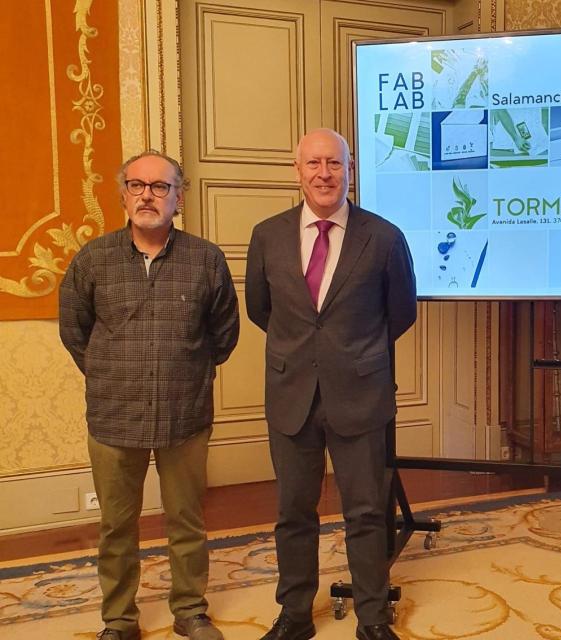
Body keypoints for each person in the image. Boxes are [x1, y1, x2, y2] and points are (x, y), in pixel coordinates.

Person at [59, 150, 240, 640]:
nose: (147, 195)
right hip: (114, 418)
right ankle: (119, 619)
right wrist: (108, 374)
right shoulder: (92, 259)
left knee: (187, 521)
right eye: (137, 185)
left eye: (160, 187)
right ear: (122, 194)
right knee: (117, 528)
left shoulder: (206, 259)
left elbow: (224, 335)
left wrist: (188, 375)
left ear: (178, 198)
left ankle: (190, 611)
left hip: (185, 416)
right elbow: (75, 333)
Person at [245, 128, 417, 640]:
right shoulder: (267, 235)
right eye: (314, 164)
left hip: (360, 395)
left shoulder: (384, 236)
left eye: (335, 164)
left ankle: (372, 618)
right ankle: (294, 615)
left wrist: (351, 354)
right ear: (296, 170)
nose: (324, 173)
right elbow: (261, 309)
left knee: (366, 513)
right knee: (293, 513)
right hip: (291, 394)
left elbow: (400, 313)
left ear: (350, 169)